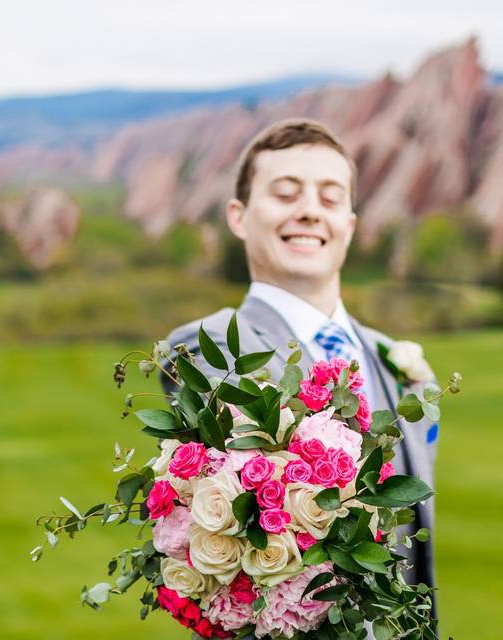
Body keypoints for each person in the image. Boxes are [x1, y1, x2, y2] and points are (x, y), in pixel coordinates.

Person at [161, 118, 440, 614]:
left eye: (330, 198)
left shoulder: (399, 366)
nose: (310, 211)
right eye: (287, 194)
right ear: (239, 217)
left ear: (349, 226)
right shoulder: (208, 351)